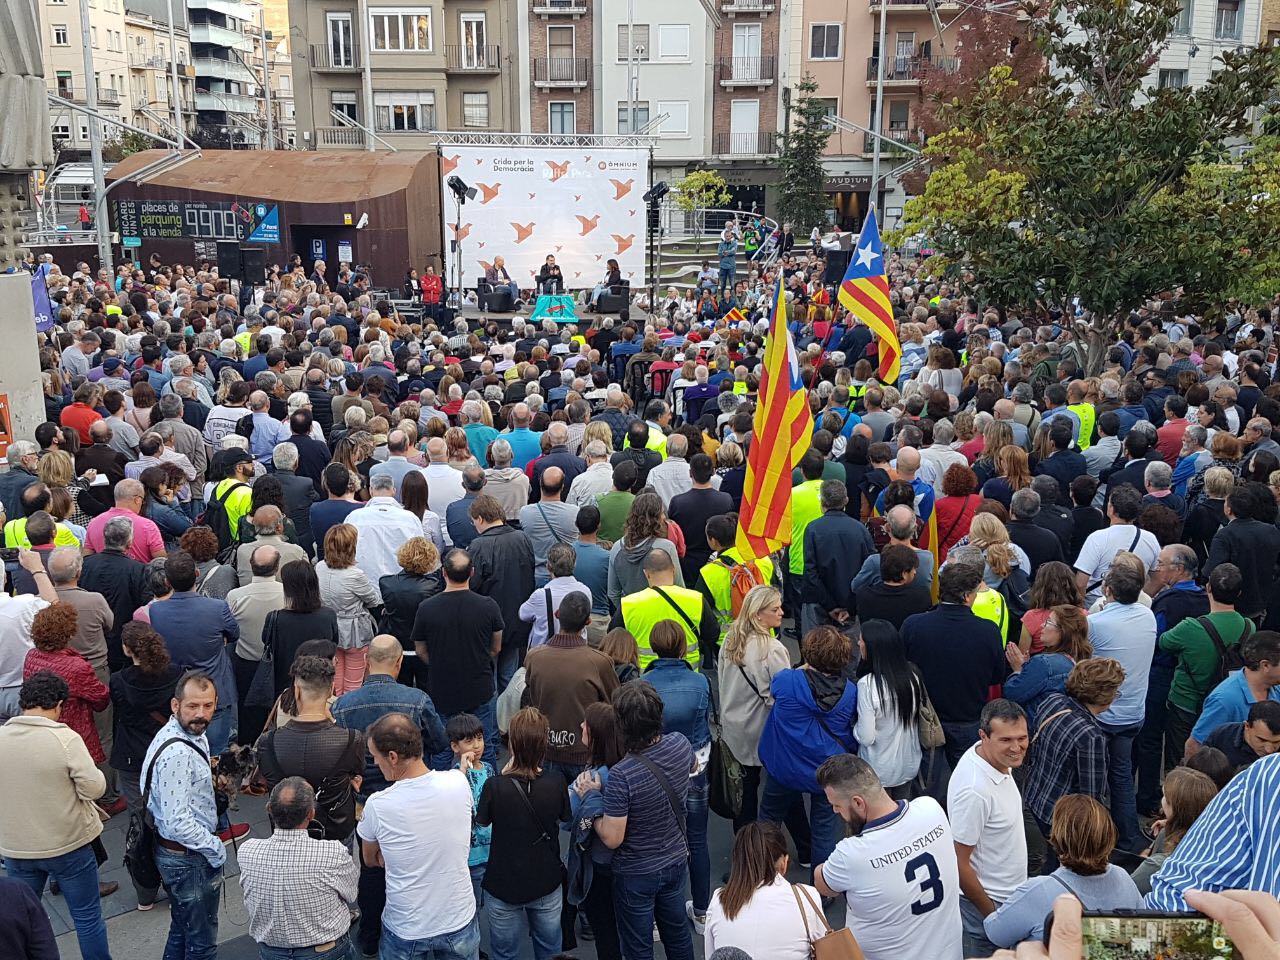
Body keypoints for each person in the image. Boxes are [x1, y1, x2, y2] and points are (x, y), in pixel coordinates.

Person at [331, 635, 448, 956]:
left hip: (364, 806)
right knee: (413, 865)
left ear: (367, 660)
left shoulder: (342, 706)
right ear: (398, 663)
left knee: (371, 870)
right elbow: (440, 746)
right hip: (412, 801)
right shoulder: (418, 700)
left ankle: (370, 934)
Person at [0, 672, 113, 960]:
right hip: (69, 844)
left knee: (23, 917)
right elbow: (94, 786)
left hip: (17, 848)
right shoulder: (63, 738)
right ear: (59, 704)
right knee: (87, 918)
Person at [814, 753, 963, 960]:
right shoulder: (931, 808)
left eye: (837, 805)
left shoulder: (851, 854)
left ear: (858, 803)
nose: (835, 811)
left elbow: (822, 884)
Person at [356, 712, 479, 960]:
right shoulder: (458, 781)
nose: (375, 764)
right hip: (458, 917)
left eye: (375, 758)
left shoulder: (378, 805)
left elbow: (370, 859)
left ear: (392, 757)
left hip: (406, 927)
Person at [143, 671, 246, 959]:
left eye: (208, 706)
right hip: (188, 858)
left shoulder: (184, 734)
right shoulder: (178, 753)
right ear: (176, 705)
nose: (201, 714)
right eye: (192, 706)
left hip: (178, 854)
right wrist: (215, 849)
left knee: (182, 928)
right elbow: (177, 822)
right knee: (201, 943)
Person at [592, 680, 695, 960]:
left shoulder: (622, 776)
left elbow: (613, 837)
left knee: (638, 948)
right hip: (675, 860)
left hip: (636, 872)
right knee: (678, 936)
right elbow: (692, 768)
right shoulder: (681, 744)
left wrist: (593, 816)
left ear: (622, 725)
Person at [758, 625, 859, 873]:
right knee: (825, 830)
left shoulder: (787, 681)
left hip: (784, 768)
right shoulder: (850, 693)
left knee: (768, 820)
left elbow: (776, 690)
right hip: (827, 773)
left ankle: (758, 874)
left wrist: (807, 665)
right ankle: (822, 891)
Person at [983, 794, 1144, 948]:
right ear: (1108, 836)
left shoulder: (1037, 891)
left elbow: (995, 933)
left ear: (1058, 837)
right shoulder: (1124, 878)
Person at [475, 707, 570, 960]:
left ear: (513, 744)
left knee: (504, 953)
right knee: (550, 949)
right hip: (546, 881)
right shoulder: (556, 782)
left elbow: (481, 822)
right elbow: (565, 818)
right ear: (543, 744)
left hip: (503, 883)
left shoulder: (495, 786)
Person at [641, 620, 713, 930]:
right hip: (695, 768)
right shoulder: (699, 683)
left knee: (654, 845)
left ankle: (657, 921)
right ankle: (701, 911)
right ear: (683, 647)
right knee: (697, 841)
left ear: (653, 646)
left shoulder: (643, 684)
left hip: (655, 771)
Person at [239, 776, 360, 960]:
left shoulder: (247, 851)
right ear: (311, 814)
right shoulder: (332, 853)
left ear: (270, 809)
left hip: (271, 952)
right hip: (327, 951)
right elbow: (351, 895)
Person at [1022, 658, 1125, 869]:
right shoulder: (1091, 735)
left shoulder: (1053, 701)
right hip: (1063, 817)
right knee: (1059, 867)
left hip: (1035, 798)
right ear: (1104, 695)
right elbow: (1092, 796)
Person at [902, 562, 1006, 768]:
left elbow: (903, 667)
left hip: (924, 717)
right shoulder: (988, 631)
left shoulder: (914, 625)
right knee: (966, 775)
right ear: (967, 596)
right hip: (967, 717)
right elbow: (996, 677)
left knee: (927, 779)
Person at [947, 699, 1030, 958]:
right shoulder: (975, 791)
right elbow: (958, 863)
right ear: (983, 736)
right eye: (1006, 740)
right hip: (985, 909)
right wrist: (992, 915)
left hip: (1009, 899)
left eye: (1022, 738)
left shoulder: (994, 760)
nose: (1017, 748)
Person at [1086, 562, 1157, 851]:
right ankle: (1127, 838)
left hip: (1102, 716)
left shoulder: (1096, 624)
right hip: (1133, 714)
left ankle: (1093, 835)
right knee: (1122, 774)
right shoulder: (1148, 616)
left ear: (1107, 590)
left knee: (1092, 779)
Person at [411, 548, 505, 767]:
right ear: (472, 572)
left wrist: (437, 665)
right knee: (485, 744)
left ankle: (443, 791)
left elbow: (420, 649)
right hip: (479, 685)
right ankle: (487, 787)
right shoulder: (488, 606)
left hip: (442, 687)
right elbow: (496, 646)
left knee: (443, 745)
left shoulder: (427, 608)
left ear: (443, 572)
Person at [257, 655, 365, 844]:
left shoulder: (268, 742)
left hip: (287, 830)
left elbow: (270, 780)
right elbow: (356, 772)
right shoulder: (351, 739)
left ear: (297, 691)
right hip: (334, 829)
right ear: (331, 689)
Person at [148, 551, 241, 755]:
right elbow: (234, 633)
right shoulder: (217, 608)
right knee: (215, 754)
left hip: (180, 692)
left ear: (168, 581)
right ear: (197, 574)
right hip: (214, 690)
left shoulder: (156, 611)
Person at [522, 590, 619, 779]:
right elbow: (614, 704)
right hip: (584, 754)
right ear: (588, 622)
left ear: (557, 615)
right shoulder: (599, 662)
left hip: (545, 750)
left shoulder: (534, 657)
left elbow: (531, 696)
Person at [703, 822, 825, 960]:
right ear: (784, 863)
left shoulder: (719, 901)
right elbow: (826, 951)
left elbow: (712, 956)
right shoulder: (806, 897)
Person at [466, 494, 535, 691]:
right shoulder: (522, 537)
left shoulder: (479, 546)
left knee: (489, 679)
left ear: (479, 519)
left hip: (489, 625)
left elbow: (472, 584)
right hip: (517, 619)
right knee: (510, 678)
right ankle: (510, 717)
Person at [612, 548, 719, 670]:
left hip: (645, 679)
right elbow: (712, 634)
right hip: (688, 674)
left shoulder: (629, 604)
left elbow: (613, 637)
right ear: (673, 570)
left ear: (646, 573)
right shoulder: (696, 599)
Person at [854, 618, 925, 798]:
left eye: (861, 639)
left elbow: (866, 737)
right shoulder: (912, 675)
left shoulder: (867, 685)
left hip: (877, 769)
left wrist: (854, 728)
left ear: (873, 647)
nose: (858, 643)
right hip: (908, 764)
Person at [800, 480, 874, 637]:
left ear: (822, 501)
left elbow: (810, 571)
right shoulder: (860, 529)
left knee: (818, 651)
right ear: (846, 500)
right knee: (848, 653)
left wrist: (829, 606)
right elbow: (868, 571)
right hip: (850, 608)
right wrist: (850, 606)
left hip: (819, 605)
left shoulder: (813, 529)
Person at [316, 524, 383, 695]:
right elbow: (373, 600)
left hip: (329, 627)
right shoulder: (355, 575)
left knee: (334, 681)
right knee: (353, 683)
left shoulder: (320, 568)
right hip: (355, 632)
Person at [1131, 766, 1219, 895]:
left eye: (1165, 796)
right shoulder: (1218, 844)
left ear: (1175, 809)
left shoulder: (1158, 865)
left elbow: (1126, 892)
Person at [1073, 484, 1160, 606]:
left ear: (1111, 509)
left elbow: (1081, 583)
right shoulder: (1150, 539)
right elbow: (1157, 579)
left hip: (1097, 604)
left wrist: (1082, 611)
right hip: (1133, 606)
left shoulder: (1097, 538)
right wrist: (1138, 600)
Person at [1004, 605, 1092, 724]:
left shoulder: (1044, 663)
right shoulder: (1080, 660)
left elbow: (1012, 693)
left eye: (1048, 622)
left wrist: (1018, 670)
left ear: (1063, 632)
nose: (1042, 626)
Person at [271, 560, 341, 696]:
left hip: (284, 685)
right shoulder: (328, 615)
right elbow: (334, 643)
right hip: (320, 684)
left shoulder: (276, 618)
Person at [348, 473, 424, 583]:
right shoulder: (410, 519)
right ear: (393, 490)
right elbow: (419, 553)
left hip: (364, 583)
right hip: (400, 585)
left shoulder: (355, 517)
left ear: (371, 491)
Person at [518, 467, 579, 586]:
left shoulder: (525, 512)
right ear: (562, 487)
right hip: (566, 578)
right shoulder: (575, 512)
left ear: (540, 484)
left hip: (536, 576)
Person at [853, 543, 934, 629]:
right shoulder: (921, 596)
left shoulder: (864, 595)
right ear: (904, 574)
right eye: (913, 568)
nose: (915, 572)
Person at [234, 506, 308, 586]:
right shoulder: (296, 551)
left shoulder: (242, 551)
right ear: (279, 528)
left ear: (255, 528)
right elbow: (308, 579)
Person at [1201, 701, 1280, 771]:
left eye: (1276, 742)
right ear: (1247, 726)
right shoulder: (1222, 735)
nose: (1269, 750)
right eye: (1262, 740)